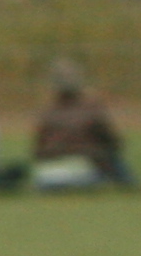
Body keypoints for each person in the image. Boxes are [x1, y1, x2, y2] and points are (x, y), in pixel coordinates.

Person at [30, 59, 133, 188]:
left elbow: (37, 150)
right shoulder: (91, 109)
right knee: (113, 160)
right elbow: (112, 142)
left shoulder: (47, 112)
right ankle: (127, 185)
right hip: (83, 171)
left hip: (47, 176)